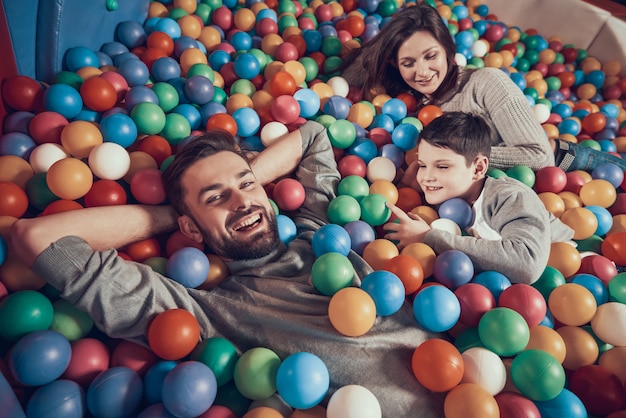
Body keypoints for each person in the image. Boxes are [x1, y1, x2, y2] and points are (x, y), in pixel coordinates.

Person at [11, 120, 445, 417]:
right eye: (216, 198)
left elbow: (313, 135)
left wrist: (235, 183)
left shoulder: (318, 228)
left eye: (247, 185)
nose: (242, 203)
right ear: (190, 228)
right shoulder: (209, 313)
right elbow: (36, 238)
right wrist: (171, 215)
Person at [340, 3, 626, 173]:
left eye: (431, 56)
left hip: (571, 167)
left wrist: (451, 156)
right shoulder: (407, 95)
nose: (423, 72)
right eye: (408, 62)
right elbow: (350, 75)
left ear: (449, 51)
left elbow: (539, 157)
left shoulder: (485, 82)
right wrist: (381, 47)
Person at [383, 112, 574, 284]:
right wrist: (406, 185)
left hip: (567, 279)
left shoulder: (508, 197)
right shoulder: (445, 194)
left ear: (478, 168)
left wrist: (428, 238)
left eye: (442, 167)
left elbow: (527, 265)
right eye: (423, 165)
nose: (426, 177)